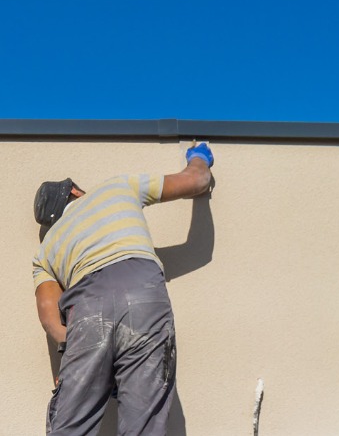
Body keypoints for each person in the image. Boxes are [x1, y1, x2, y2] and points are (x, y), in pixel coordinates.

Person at [31, 143, 215, 436]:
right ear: (77, 192)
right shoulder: (116, 187)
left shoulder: (47, 249)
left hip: (86, 309)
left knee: (70, 426)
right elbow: (196, 181)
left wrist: (79, 356)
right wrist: (199, 158)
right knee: (144, 423)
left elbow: (49, 316)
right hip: (142, 294)